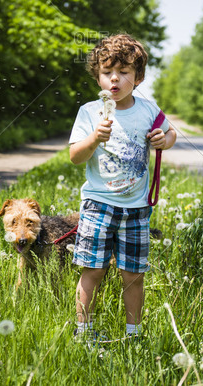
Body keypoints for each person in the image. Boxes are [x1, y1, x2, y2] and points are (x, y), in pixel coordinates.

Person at [68, 33, 177, 340]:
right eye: (107, 73)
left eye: (124, 73)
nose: (114, 79)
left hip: (137, 210)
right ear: (98, 77)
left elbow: (170, 135)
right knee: (93, 270)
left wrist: (162, 141)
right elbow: (76, 156)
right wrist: (93, 139)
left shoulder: (148, 110)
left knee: (134, 275)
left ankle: (134, 334)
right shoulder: (90, 112)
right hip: (98, 206)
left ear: (138, 77)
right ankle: (83, 332)